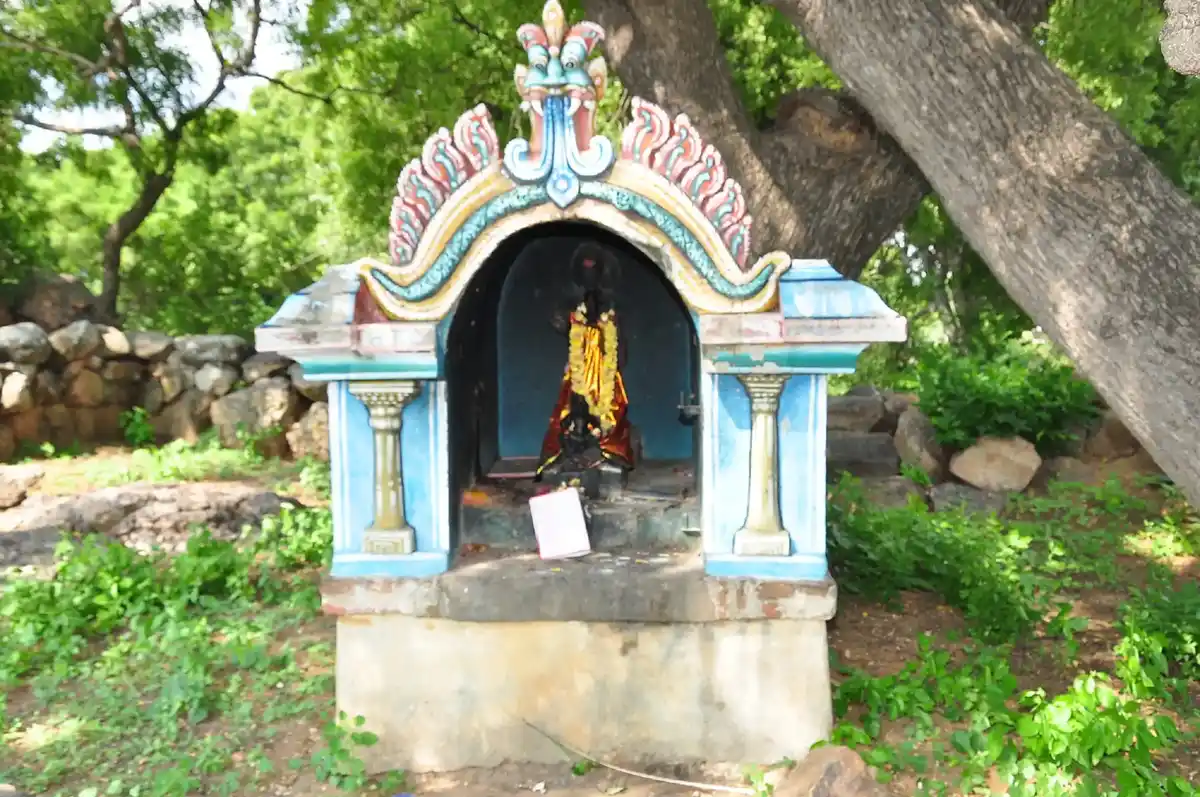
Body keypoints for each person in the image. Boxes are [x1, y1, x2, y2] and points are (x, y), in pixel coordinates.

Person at [535, 241, 634, 478]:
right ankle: (568, 453)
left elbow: (619, 337)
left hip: (603, 367)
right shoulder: (571, 300)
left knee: (611, 408)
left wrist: (616, 357)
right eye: (585, 269)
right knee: (571, 409)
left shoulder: (611, 302)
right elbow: (558, 321)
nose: (590, 274)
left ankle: (608, 453)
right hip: (580, 366)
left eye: (594, 269)